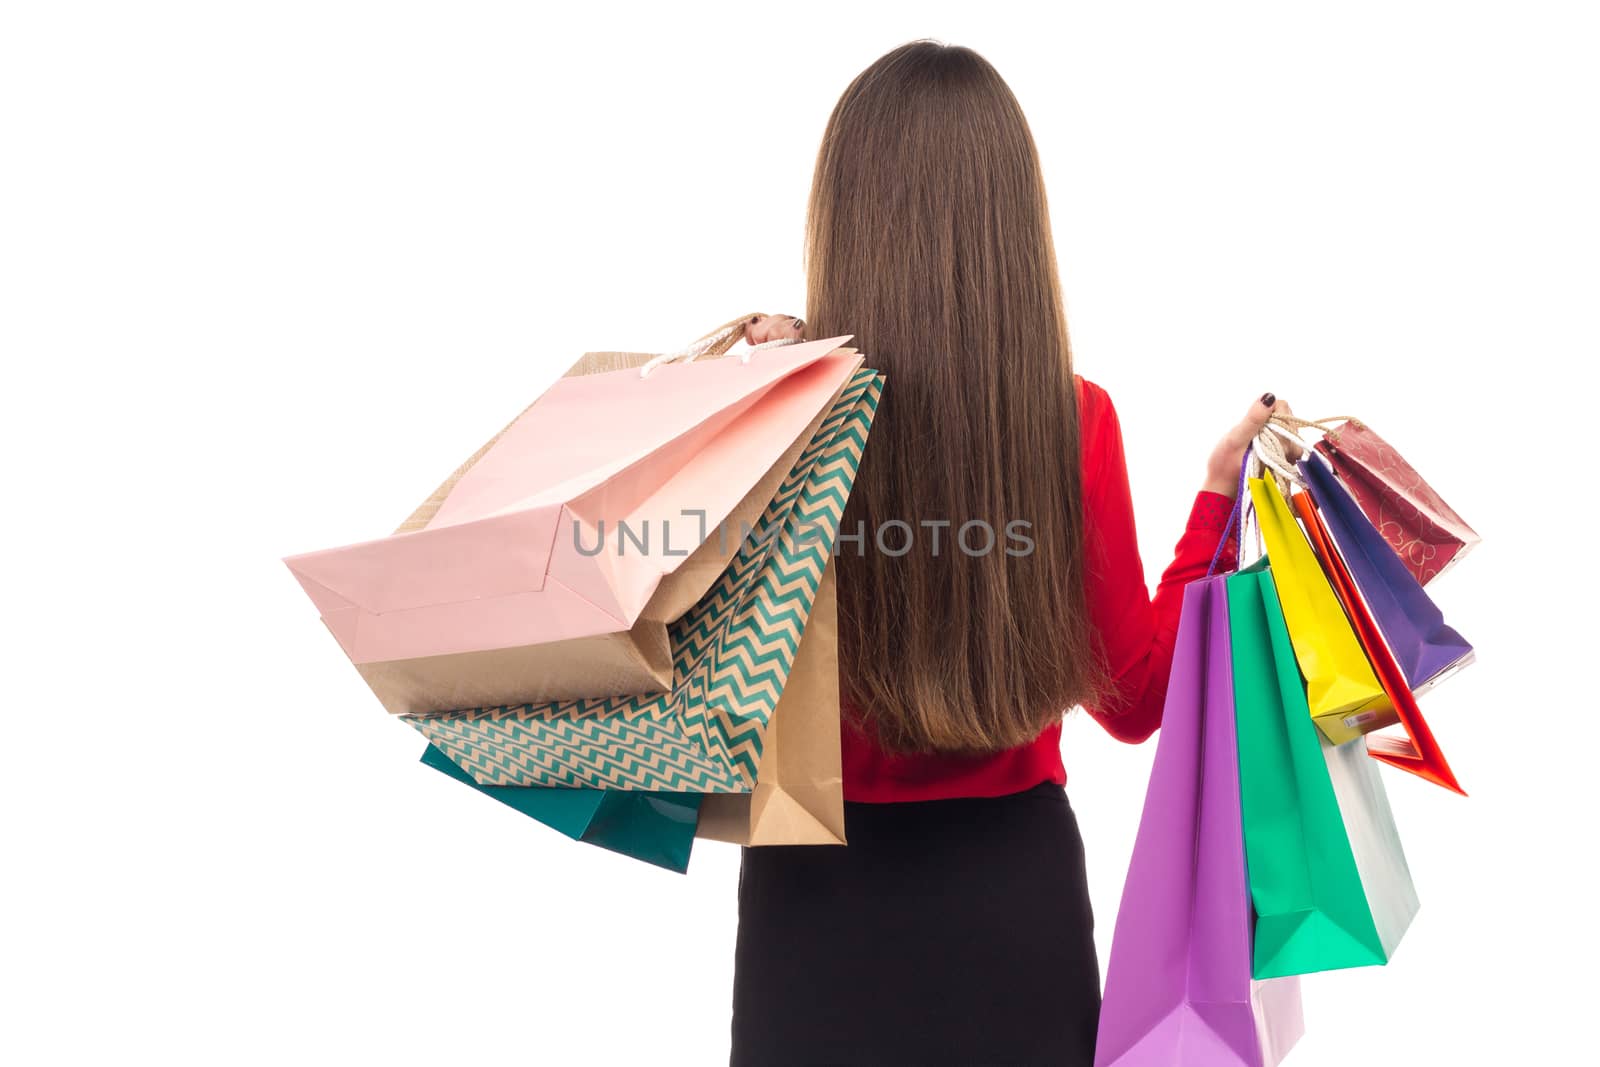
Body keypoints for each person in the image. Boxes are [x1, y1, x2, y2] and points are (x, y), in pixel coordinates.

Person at [730, 40, 1300, 1067]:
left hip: (809, 899)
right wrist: (1215, 502)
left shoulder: (778, 420)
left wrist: (743, 411)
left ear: (846, 214)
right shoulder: (1066, 420)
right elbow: (1132, 700)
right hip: (1013, 897)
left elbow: (701, 679)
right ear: (1011, 222)